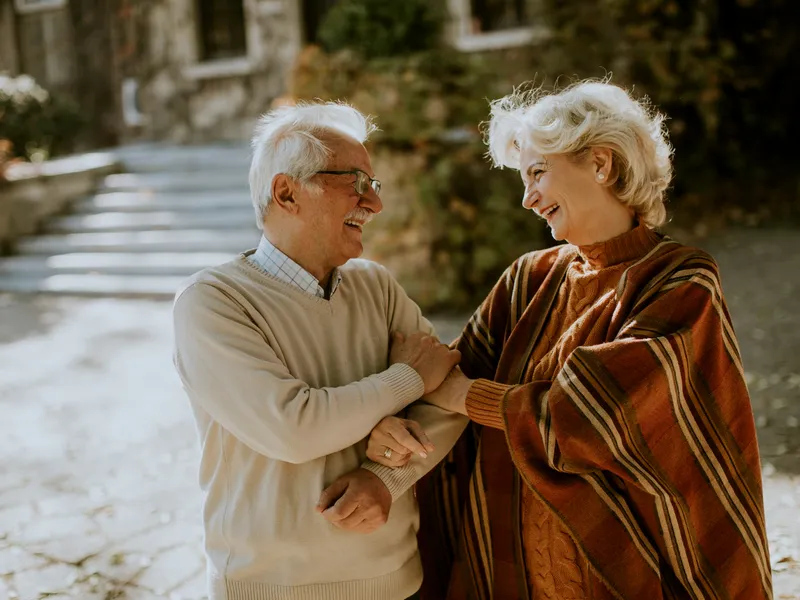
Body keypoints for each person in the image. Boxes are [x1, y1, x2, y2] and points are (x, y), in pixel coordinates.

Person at [366, 81, 772, 599]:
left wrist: (458, 393)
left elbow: (590, 414)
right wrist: (391, 421)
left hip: (626, 578)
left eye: (537, 172)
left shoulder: (681, 280)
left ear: (601, 164)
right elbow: (438, 390)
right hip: (510, 575)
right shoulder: (526, 280)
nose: (527, 198)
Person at [172, 101, 468, 600]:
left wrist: (384, 479)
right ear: (286, 192)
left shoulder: (378, 286)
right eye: (355, 182)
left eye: (373, 185)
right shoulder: (211, 302)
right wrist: (407, 379)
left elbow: (449, 397)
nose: (373, 203)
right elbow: (294, 427)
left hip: (398, 580)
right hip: (270, 589)